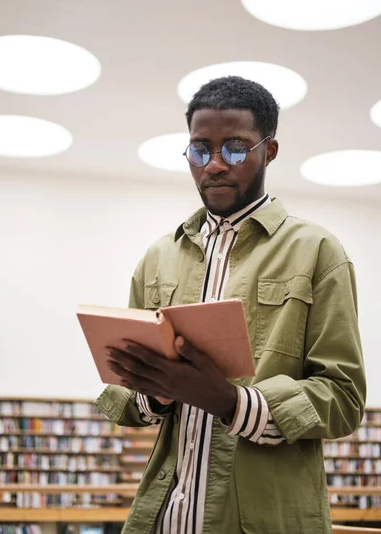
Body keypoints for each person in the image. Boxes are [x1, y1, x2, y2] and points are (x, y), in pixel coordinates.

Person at [96, 76, 366, 534]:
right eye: (200, 150)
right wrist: (161, 389)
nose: (215, 165)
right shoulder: (158, 257)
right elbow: (125, 398)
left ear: (269, 151)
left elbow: (343, 399)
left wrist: (230, 401)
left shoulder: (318, 250)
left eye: (236, 148)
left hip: (261, 519)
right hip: (163, 518)